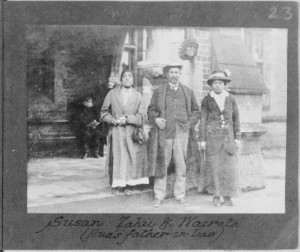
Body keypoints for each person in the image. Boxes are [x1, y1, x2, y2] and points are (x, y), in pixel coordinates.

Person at [147, 62, 201, 207]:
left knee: (181, 164)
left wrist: (190, 124)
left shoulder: (188, 92)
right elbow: (151, 110)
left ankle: (180, 195)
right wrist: (156, 119)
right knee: (162, 164)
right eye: (171, 73)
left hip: (182, 133)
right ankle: (159, 195)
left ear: (180, 74)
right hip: (165, 132)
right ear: (167, 75)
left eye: (176, 72)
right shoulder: (159, 91)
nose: (174, 75)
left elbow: (196, 111)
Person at [101, 70, 149, 195]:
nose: (127, 79)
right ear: (121, 80)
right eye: (125, 76)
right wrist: (112, 120)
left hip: (132, 131)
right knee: (118, 158)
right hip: (116, 131)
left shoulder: (138, 96)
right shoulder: (112, 93)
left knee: (132, 158)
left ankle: (131, 184)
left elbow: (143, 117)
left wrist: (128, 119)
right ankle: (118, 185)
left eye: (130, 76)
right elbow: (103, 113)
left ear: (133, 80)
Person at [199, 70, 241, 207]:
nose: (217, 85)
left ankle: (228, 196)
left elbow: (236, 119)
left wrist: (237, 137)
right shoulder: (207, 100)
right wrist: (202, 140)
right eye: (215, 83)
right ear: (211, 85)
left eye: (220, 83)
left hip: (228, 138)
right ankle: (217, 196)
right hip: (213, 138)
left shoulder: (231, 99)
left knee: (229, 168)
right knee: (215, 167)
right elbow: (203, 120)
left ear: (225, 85)